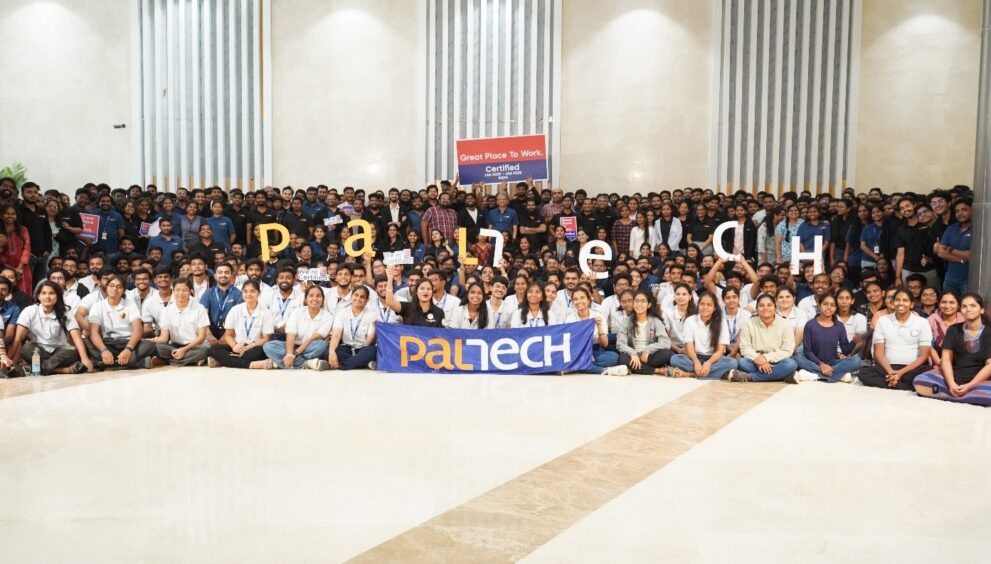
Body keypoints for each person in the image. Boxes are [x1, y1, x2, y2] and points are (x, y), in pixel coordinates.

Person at [914, 293, 991, 406]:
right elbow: (946, 360)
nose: (968, 309)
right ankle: (965, 395)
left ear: (982, 310)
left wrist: (969, 385)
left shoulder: (989, 332)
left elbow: (989, 365)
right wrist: (951, 384)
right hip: (955, 376)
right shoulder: (953, 330)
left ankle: (955, 394)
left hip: (979, 380)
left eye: (973, 306)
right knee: (919, 382)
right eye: (964, 306)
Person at [9, 281, 93, 376]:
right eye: (44, 293)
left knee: (72, 351)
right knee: (26, 348)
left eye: (51, 293)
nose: (47, 296)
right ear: (39, 296)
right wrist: (9, 359)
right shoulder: (29, 311)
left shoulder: (65, 311)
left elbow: (76, 337)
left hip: (60, 351)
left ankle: (33, 369)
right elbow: (18, 339)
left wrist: (85, 359)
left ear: (58, 296)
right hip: (38, 351)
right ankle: (61, 370)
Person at [859, 289, 933, 390]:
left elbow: (924, 355)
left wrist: (900, 373)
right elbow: (878, 353)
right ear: (893, 303)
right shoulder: (883, 321)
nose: (901, 303)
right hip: (887, 367)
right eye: (897, 300)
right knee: (864, 373)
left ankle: (892, 382)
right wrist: (891, 372)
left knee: (928, 372)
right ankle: (902, 384)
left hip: (912, 369)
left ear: (912, 304)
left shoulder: (922, 322)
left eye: (905, 300)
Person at [86, 275, 155, 370]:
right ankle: (135, 362)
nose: (115, 289)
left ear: (123, 290)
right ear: (106, 288)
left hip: (128, 342)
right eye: (112, 286)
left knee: (149, 345)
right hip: (108, 344)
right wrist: (104, 350)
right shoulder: (97, 306)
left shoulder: (130, 304)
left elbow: (138, 330)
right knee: (87, 341)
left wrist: (128, 349)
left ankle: (108, 363)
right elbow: (94, 333)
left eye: (119, 287)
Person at [729, 293, 798, 383]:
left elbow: (787, 350)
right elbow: (745, 348)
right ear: (757, 309)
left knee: (791, 364)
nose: (765, 308)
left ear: (775, 307)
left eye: (769, 305)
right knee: (743, 363)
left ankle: (750, 377)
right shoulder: (748, 323)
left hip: (778, 360)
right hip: (755, 360)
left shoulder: (785, 324)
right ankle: (780, 375)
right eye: (761, 305)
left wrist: (766, 358)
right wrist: (759, 360)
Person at [206, 279, 274, 369]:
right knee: (212, 350)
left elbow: (266, 338)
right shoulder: (235, 310)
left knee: (258, 353)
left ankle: (222, 361)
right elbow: (228, 335)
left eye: (252, 291)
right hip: (237, 346)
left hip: (253, 347)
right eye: (245, 291)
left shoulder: (266, 313)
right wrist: (234, 346)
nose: (248, 294)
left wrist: (249, 346)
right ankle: (251, 365)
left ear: (259, 293)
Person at [668, 291, 737, 379]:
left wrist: (708, 363)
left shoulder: (721, 322)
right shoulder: (690, 320)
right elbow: (689, 347)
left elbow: (720, 351)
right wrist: (696, 362)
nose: (705, 307)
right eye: (702, 304)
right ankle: (714, 374)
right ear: (698, 305)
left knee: (733, 363)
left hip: (713, 359)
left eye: (709, 305)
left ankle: (690, 374)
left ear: (714, 308)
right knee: (674, 359)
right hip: (695, 357)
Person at [795, 293, 861, 383]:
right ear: (819, 305)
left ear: (836, 307)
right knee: (798, 359)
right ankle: (839, 374)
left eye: (832, 305)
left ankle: (816, 375)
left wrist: (854, 341)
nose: (829, 307)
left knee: (857, 360)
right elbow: (808, 351)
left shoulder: (839, 326)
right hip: (814, 362)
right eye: (825, 304)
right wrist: (821, 364)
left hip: (832, 362)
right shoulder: (810, 325)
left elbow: (845, 350)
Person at [264, 285, 333, 370]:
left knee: (321, 345)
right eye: (311, 296)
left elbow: (312, 338)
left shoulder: (328, 317)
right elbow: (291, 334)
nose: (315, 299)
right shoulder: (297, 312)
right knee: (268, 346)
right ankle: (305, 363)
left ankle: (281, 363)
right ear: (306, 299)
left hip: (310, 347)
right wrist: (289, 354)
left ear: (323, 299)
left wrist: (297, 352)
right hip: (292, 345)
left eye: (318, 296)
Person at [563, 287, 623, 375]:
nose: (579, 301)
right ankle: (602, 370)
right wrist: (586, 354)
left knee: (613, 357)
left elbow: (605, 344)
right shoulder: (570, 319)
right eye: (575, 299)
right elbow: (570, 343)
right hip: (578, 351)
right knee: (575, 358)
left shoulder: (598, 316)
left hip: (596, 350)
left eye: (582, 298)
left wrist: (599, 327)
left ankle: (581, 366)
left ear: (588, 300)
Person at [151, 277, 210, 367]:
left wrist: (184, 350)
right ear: (173, 291)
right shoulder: (167, 310)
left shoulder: (199, 308)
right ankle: (191, 360)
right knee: (157, 348)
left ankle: (168, 361)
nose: (181, 293)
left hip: (195, 346)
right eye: (177, 290)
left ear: (190, 291)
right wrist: (149, 340)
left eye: (184, 290)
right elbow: (164, 338)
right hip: (175, 346)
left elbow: (201, 337)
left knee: (205, 350)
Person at [616, 290, 673, 375]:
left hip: (649, 356)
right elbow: (620, 344)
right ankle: (656, 370)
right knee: (623, 359)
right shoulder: (627, 321)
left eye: (643, 301)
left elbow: (666, 342)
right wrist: (633, 353)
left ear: (649, 305)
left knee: (667, 354)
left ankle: (638, 368)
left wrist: (648, 349)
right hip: (633, 356)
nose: (639, 304)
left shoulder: (655, 321)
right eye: (636, 301)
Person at [327, 285, 377, 370]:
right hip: (346, 347)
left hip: (363, 348)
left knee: (373, 352)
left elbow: (369, 340)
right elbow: (336, 335)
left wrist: (363, 352)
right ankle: (361, 363)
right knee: (327, 352)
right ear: (351, 296)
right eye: (356, 295)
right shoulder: (342, 313)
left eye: (362, 297)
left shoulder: (372, 315)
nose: (358, 298)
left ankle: (341, 365)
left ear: (366, 301)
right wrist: (331, 352)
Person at [927, 290, 963, 368]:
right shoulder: (931, 320)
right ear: (939, 304)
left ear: (958, 305)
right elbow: (927, 344)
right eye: (944, 302)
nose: (947, 306)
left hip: (962, 361)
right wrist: (939, 363)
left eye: (952, 302)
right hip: (937, 360)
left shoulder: (965, 319)